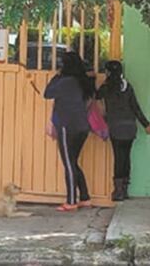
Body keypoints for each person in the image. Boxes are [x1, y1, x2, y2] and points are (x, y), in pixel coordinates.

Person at [44, 51, 96, 211]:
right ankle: (85, 198)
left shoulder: (64, 81)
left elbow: (47, 93)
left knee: (68, 164)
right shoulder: (84, 81)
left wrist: (57, 76)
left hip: (67, 126)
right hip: (82, 127)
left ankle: (72, 201)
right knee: (73, 162)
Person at [97, 60, 150, 202]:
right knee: (126, 157)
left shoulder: (106, 88)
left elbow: (95, 97)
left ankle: (118, 191)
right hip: (129, 127)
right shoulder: (127, 87)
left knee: (118, 158)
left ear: (108, 72)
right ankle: (125, 189)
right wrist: (146, 124)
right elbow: (135, 107)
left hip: (115, 128)